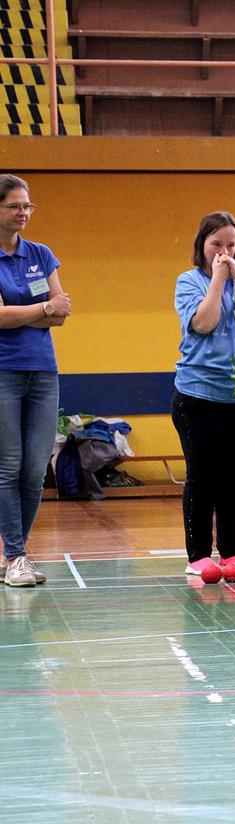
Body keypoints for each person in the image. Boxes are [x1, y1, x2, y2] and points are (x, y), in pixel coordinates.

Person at [172, 212, 235, 577]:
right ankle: (198, 555)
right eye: (217, 245)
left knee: (233, 477)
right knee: (202, 475)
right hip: (198, 396)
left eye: (231, 245)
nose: (225, 252)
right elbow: (203, 323)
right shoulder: (188, 281)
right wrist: (217, 279)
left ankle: (232, 552)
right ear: (203, 246)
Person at [0, 174, 72, 588]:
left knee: (34, 470)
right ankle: (16, 554)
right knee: (7, 466)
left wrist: (31, 310)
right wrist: (42, 307)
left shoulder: (41, 254)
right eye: (14, 206)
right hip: (4, 373)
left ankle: (14, 552)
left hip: (43, 371)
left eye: (28, 206)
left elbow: (61, 314)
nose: (23, 212)